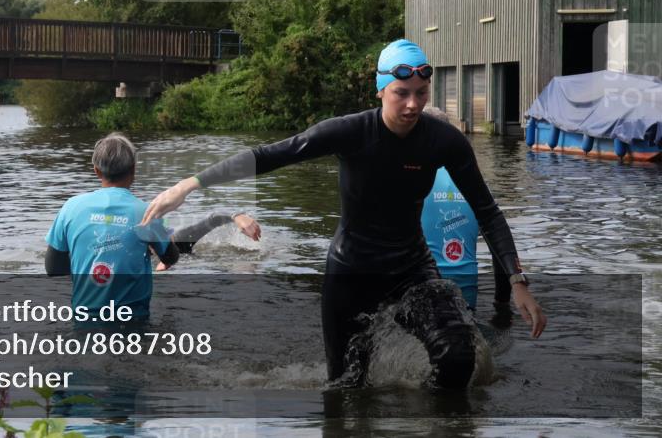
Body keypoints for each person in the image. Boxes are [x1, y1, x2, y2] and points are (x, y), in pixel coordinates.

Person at [141, 39, 546, 389]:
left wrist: (518, 281)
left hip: (412, 269)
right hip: (351, 273)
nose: (412, 104)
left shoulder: (444, 141)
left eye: (421, 93)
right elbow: (270, 155)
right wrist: (188, 185)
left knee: (457, 356)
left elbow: (488, 212)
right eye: (401, 93)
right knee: (347, 385)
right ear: (380, 90)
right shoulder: (350, 132)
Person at [45, 133, 260, 320]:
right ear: (134, 169)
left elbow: (53, 269)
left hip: (84, 320)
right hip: (135, 321)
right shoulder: (147, 215)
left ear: (96, 171)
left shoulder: (71, 207)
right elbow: (172, 255)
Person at [419, 106, 511, 312]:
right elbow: (499, 248)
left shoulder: (412, 179)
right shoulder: (475, 185)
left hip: (420, 292)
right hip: (466, 296)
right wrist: (502, 304)